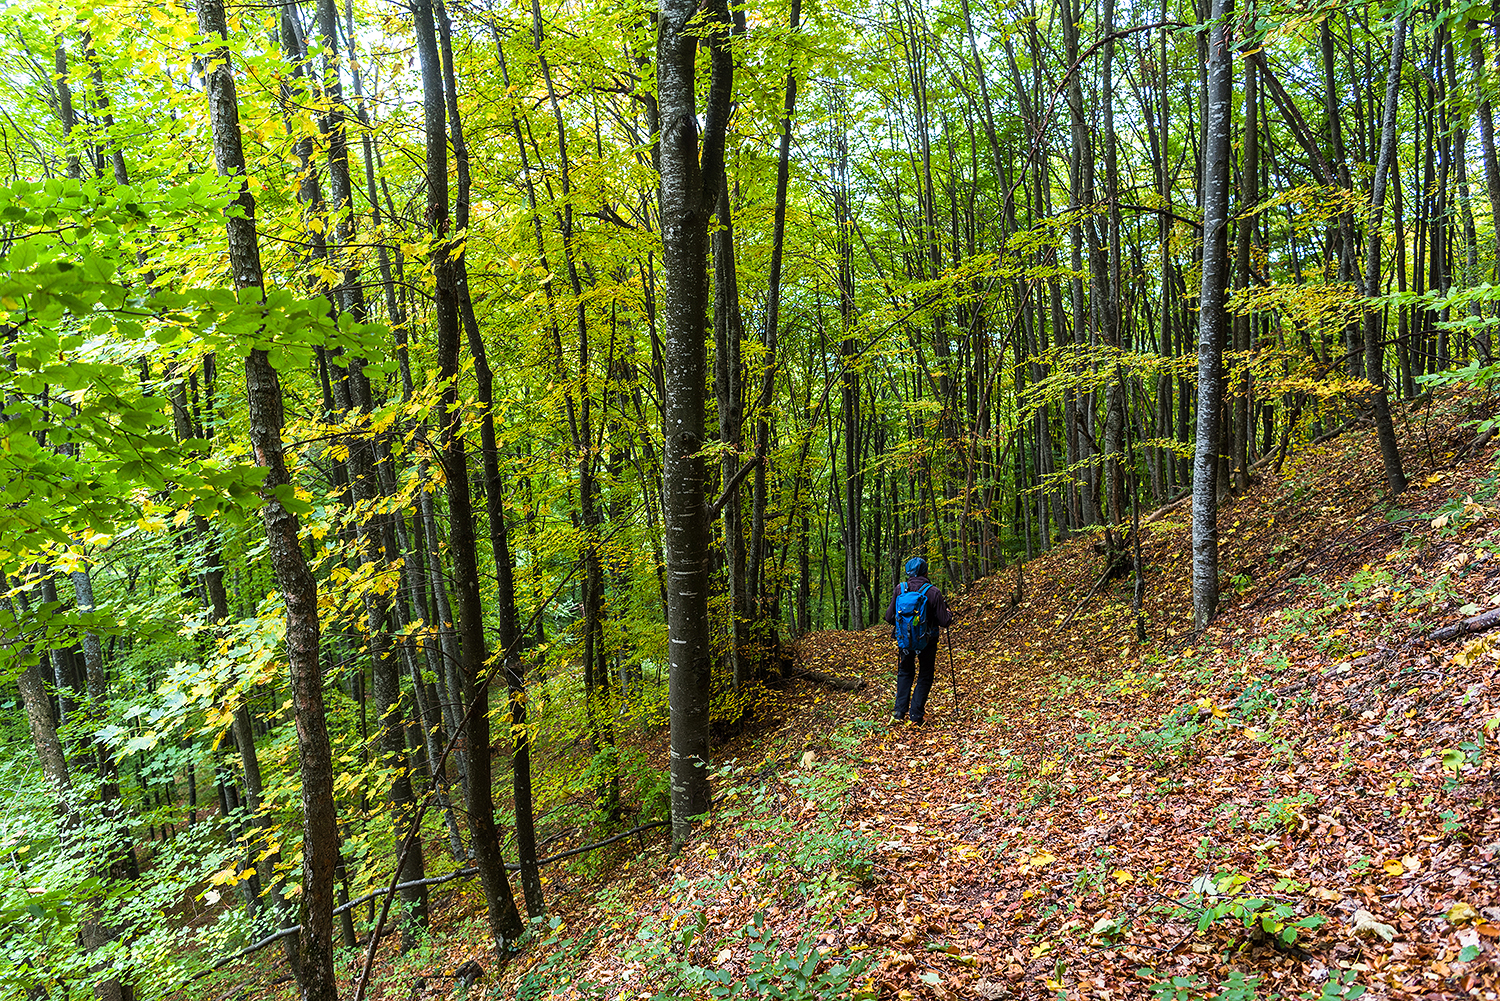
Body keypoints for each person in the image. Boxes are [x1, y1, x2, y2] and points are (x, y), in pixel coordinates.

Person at [883, 556, 952, 725]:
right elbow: (945, 621)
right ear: (925, 571)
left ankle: (899, 712)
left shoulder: (900, 589)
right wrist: (948, 612)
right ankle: (916, 715)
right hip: (927, 641)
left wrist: (904, 626)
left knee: (905, 672)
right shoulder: (933, 591)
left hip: (904, 641)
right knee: (925, 675)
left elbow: (888, 617)